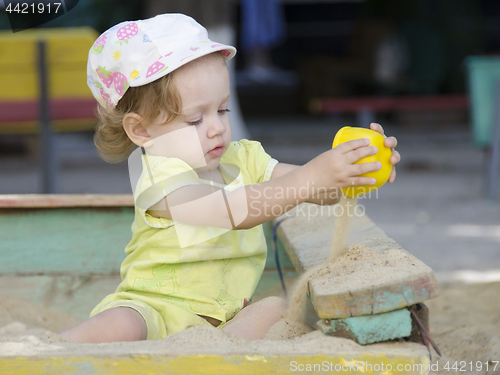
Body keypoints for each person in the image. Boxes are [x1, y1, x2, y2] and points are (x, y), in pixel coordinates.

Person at [60, 14, 400, 343]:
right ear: (141, 130)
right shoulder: (157, 177)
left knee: (278, 308)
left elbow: (311, 190)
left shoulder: (244, 157)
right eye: (195, 119)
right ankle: (48, 348)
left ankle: (213, 358)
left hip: (224, 326)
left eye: (223, 110)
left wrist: (351, 172)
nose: (217, 128)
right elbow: (230, 211)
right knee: (122, 323)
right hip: (154, 313)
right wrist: (313, 176)